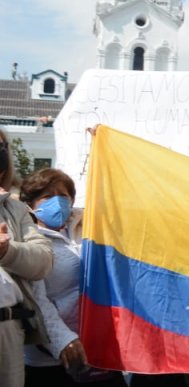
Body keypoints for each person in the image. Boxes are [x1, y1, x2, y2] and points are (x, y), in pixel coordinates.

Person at [20, 169, 124, 386]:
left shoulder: (89, 230)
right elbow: (36, 299)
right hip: (53, 359)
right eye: (47, 197)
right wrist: (63, 341)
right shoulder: (27, 242)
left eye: (63, 195)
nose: (57, 202)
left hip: (98, 351)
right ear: (31, 204)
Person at [0, 127, 54, 387]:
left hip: (9, 328)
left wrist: (8, 252)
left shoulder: (14, 207)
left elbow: (43, 260)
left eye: (1, 148)